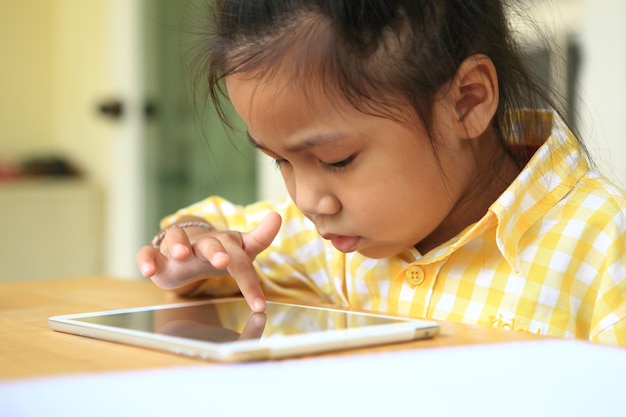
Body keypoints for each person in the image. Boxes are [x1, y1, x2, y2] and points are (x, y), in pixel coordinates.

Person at [136, 0, 626, 346]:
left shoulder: (604, 245)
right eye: (280, 160)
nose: (308, 200)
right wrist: (197, 248)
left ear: (467, 102)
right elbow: (218, 238)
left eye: (336, 160)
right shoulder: (334, 246)